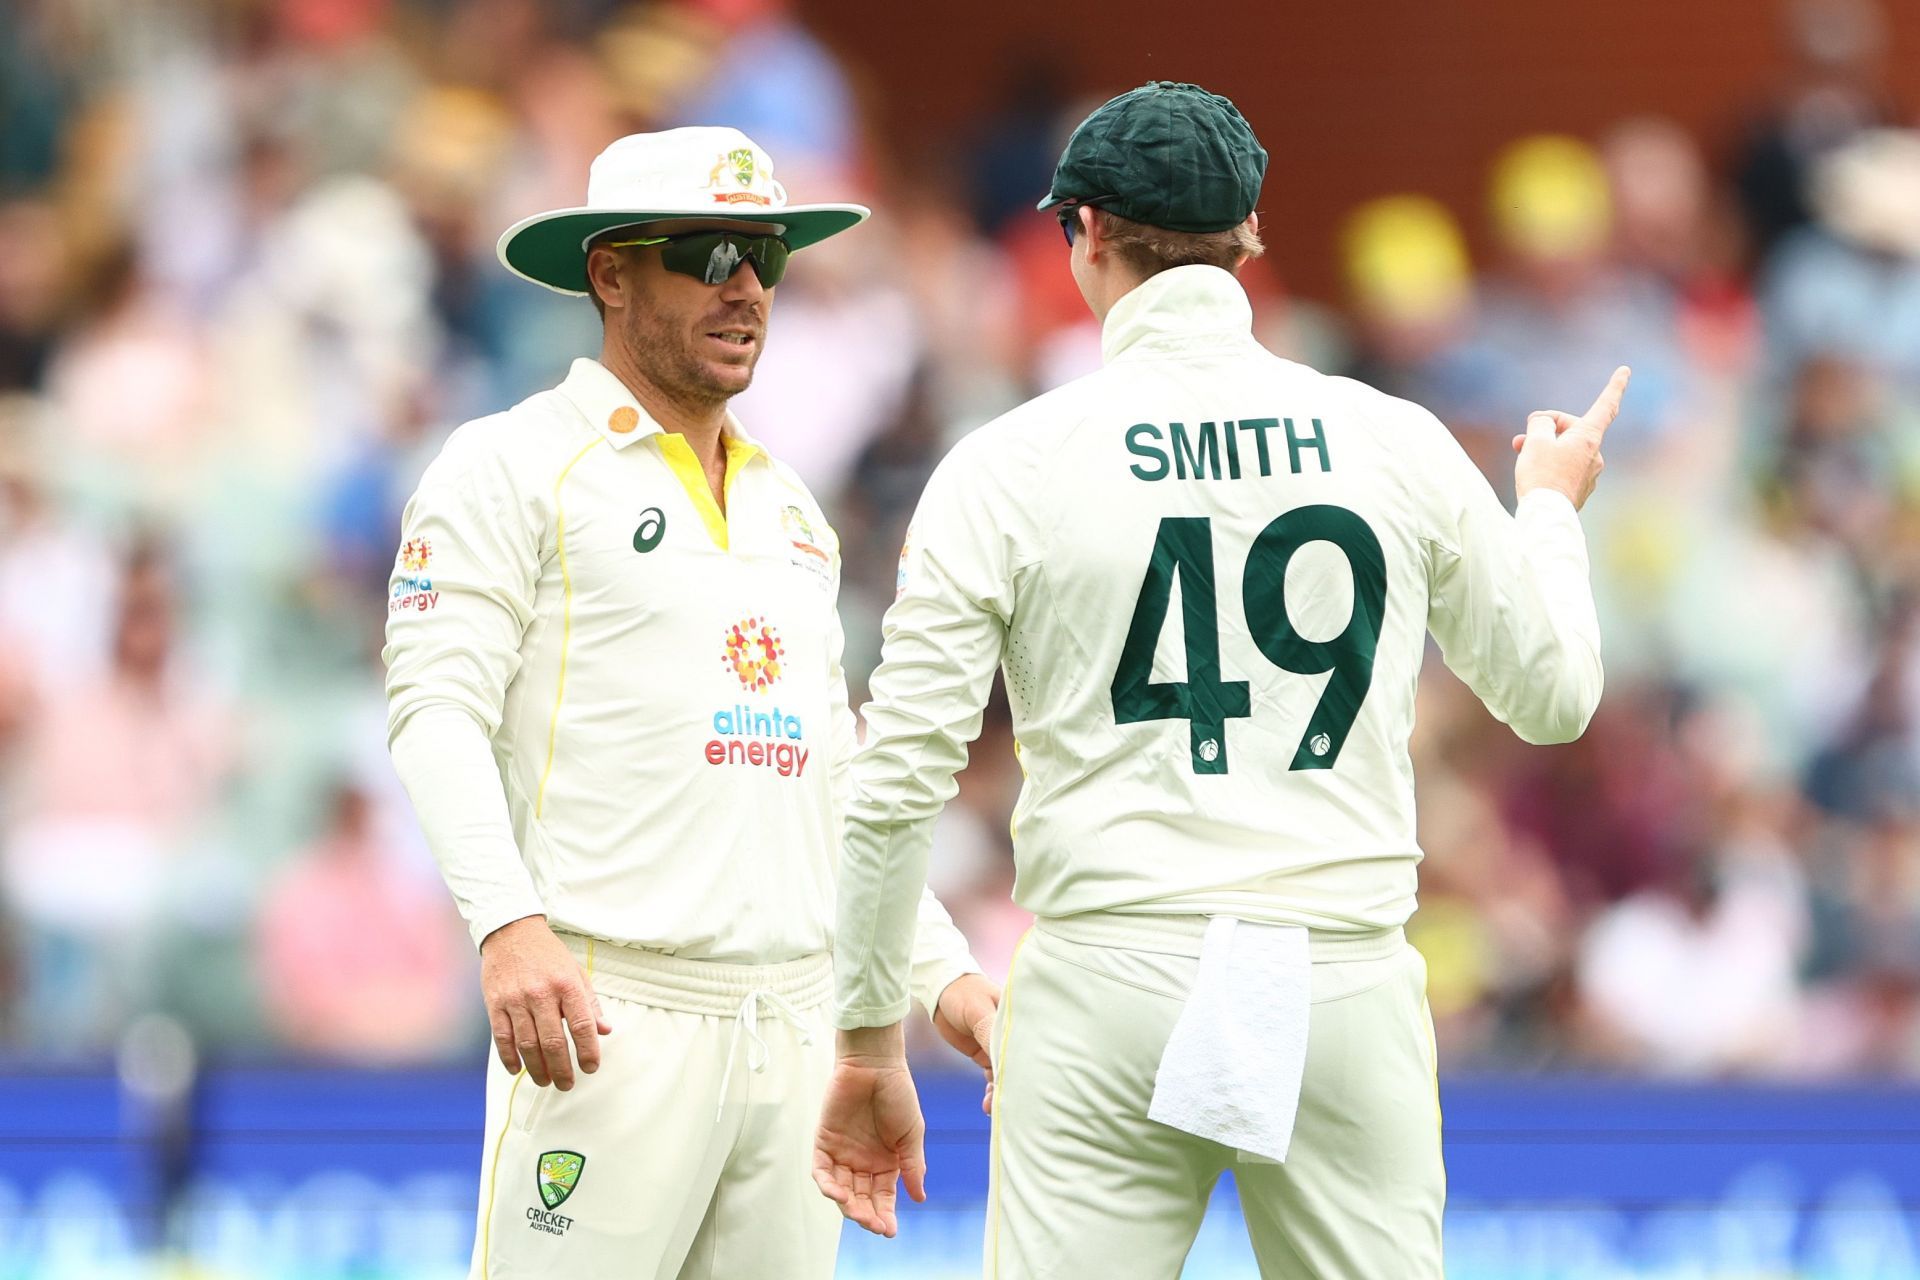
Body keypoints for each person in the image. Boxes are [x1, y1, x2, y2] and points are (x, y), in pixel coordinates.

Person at [813, 82, 1628, 1276]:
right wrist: (1548, 510)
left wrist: (871, 1039)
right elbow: (1554, 697)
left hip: (1109, 970)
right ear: (1251, 236)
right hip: (1340, 966)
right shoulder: (1391, 437)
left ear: (1083, 231)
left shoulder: (1007, 463)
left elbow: (896, 788)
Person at [383, 126, 997, 1280]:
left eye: (766, 256)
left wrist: (939, 971)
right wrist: (506, 921)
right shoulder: (508, 465)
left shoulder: (792, 504)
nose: (748, 287)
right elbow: (434, 711)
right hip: (608, 1012)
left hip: (797, 1022)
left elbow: (838, 774)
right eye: (711, 254)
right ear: (610, 273)